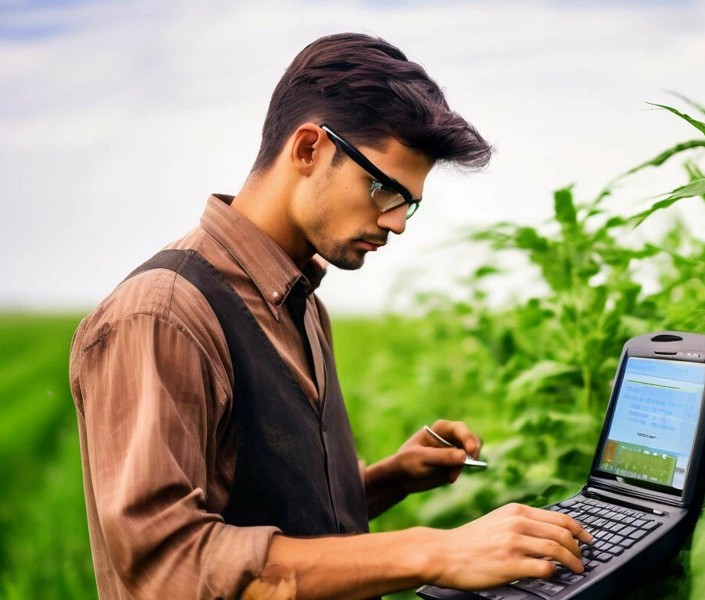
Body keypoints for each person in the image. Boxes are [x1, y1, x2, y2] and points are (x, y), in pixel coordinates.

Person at [69, 32, 589, 600]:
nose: (398, 224)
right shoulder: (164, 315)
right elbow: (168, 566)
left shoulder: (304, 305)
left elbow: (272, 519)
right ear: (309, 149)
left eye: (409, 202)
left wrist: (390, 478)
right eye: (384, 189)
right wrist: (434, 550)